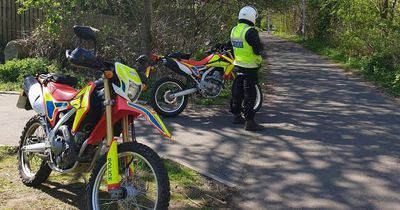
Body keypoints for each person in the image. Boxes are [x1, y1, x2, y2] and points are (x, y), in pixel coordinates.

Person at [230, 5, 264, 131]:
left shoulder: (234, 30)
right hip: (250, 67)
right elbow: (257, 49)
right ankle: (250, 122)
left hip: (237, 65)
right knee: (250, 94)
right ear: (252, 17)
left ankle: (237, 115)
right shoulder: (251, 31)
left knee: (237, 92)